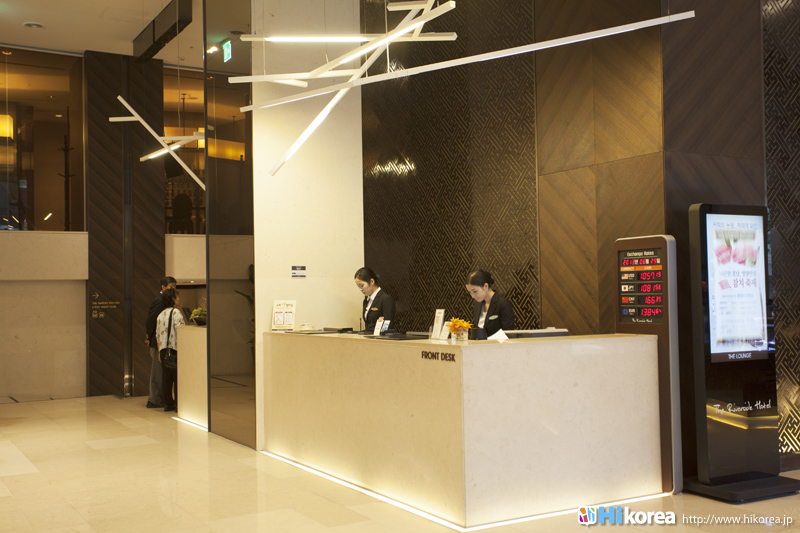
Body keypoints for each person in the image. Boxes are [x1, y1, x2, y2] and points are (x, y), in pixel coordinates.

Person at [145, 276, 176, 408]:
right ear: (163, 287)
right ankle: (153, 400)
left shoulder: (166, 300)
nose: (173, 289)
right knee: (157, 372)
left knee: (162, 372)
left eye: (174, 287)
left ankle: (162, 398)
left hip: (163, 342)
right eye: (170, 287)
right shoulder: (160, 300)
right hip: (157, 341)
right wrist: (148, 337)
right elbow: (151, 320)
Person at [156, 287, 185, 412]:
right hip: (174, 349)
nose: (179, 299)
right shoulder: (176, 313)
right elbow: (181, 331)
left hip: (163, 350)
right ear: (172, 299)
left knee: (166, 379)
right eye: (177, 297)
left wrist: (159, 352)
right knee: (177, 378)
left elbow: (158, 335)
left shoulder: (160, 314)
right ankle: (179, 404)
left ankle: (168, 404)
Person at [466, 269, 515, 337]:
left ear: (486, 286)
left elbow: (508, 334)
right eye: (470, 292)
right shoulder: (477, 304)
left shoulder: (503, 304)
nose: (472, 296)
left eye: (475, 291)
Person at [354, 267, 395, 333]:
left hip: (379, 338)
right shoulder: (366, 301)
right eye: (359, 287)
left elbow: (388, 326)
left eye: (362, 286)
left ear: (372, 282)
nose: (361, 289)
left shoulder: (386, 299)